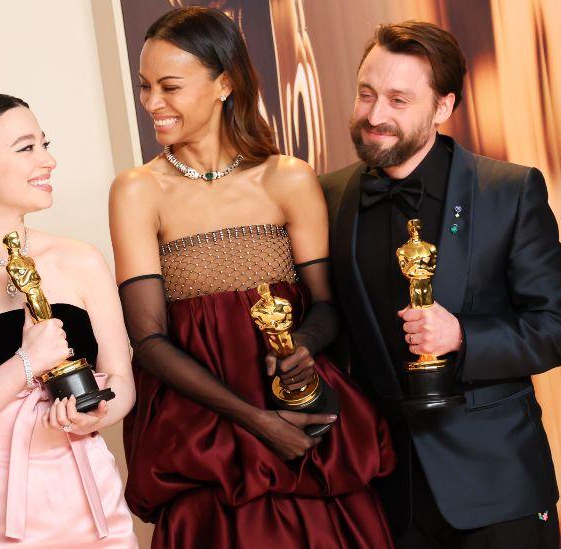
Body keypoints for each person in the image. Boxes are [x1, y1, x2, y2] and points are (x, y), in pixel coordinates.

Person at [109, 7, 394, 548]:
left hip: (302, 413)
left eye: (169, 87)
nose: (151, 103)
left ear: (225, 83)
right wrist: (258, 423)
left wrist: (301, 348)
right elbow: (147, 340)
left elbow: (327, 306)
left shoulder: (286, 177)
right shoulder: (137, 190)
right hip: (205, 431)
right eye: (145, 87)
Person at [320, 20, 561, 549]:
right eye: (367, 94)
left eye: (398, 100)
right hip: (384, 494)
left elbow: (559, 331)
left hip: (498, 490)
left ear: (443, 107)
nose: (375, 116)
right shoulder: (327, 196)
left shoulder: (508, 190)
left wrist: (462, 336)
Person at [0, 92, 138, 548]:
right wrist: (26, 364)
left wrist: (95, 415)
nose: (48, 160)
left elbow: (124, 380)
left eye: (44, 144)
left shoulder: (82, 260)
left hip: (89, 495)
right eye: (27, 148)